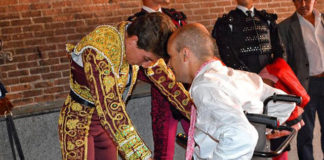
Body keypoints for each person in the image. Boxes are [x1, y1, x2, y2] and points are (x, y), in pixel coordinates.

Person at [58, 12, 193, 160]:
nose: (148, 66)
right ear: (133, 41)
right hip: (78, 124)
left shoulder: (142, 43)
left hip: (106, 128)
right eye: (146, 59)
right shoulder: (100, 48)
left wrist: (203, 117)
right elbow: (110, 110)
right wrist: (142, 157)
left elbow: (171, 87)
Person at [167, 23, 296, 160]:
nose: (169, 64)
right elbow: (283, 103)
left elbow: (241, 136)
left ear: (185, 54)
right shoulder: (237, 76)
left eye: (170, 56)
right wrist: (260, 129)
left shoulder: (205, 86)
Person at [211, 0, 306, 159]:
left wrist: (271, 76)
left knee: (279, 138)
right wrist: (256, 83)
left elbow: (279, 52)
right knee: (254, 138)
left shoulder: (267, 19)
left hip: (272, 84)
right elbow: (229, 60)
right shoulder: (227, 22)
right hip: (244, 90)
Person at [128, 1, 189, 159]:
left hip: (187, 88)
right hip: (161, 95)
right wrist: (161, 76)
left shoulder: (176, 18)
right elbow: (137, 66)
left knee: (200, 140)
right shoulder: (136, 23)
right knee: (164, 150)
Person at [278, 0, 324, 159]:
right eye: (298, 0)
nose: (303, 4)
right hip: (305, 86)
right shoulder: (285, 27)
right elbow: (283, 63)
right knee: (306, 133)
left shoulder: (323, 20)